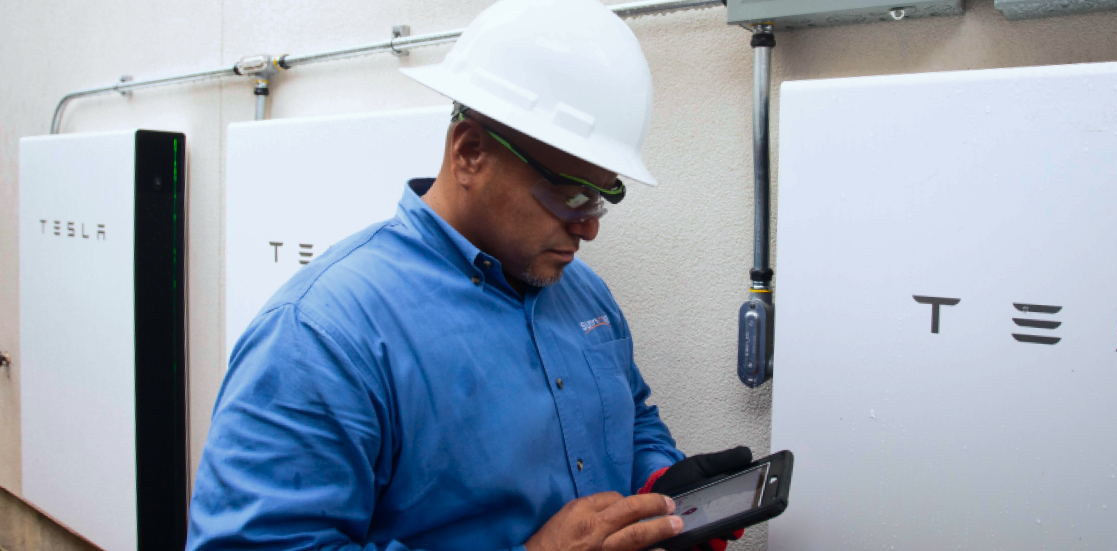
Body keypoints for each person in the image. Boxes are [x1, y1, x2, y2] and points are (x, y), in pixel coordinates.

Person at [186, 1, 749, 550]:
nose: (589, 229)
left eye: (601, 200)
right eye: (571, 195)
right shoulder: (320, 335)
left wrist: (658, 488)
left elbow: (634, 421)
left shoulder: (582, 295)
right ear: (470, 151)